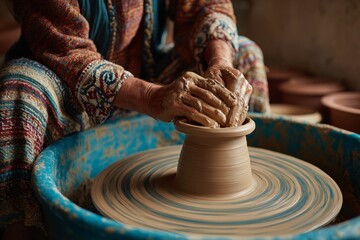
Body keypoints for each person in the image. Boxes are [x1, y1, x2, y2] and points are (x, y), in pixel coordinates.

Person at [0, 0, 269, 239]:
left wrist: (220, 62)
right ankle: (23, 231)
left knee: (244, 57)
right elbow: (65, 49)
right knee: (20, 90)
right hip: (67, 85)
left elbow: (206, 5)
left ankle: (251, 183)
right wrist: (152, 97)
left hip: (147, 69)